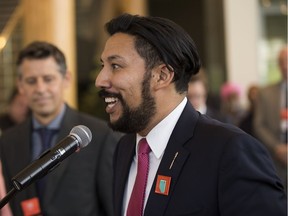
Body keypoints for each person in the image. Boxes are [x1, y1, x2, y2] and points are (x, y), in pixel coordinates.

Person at [95, 13, 287, 216]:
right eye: (103, 66)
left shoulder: (230, 150)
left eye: (115, 66)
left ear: (162, 76)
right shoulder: (124, 149)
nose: (100, 79)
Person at [0, 41, 121, 216]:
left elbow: (113, 207)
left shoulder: (100, 135)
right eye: (31, 81)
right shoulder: (8, 141)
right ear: (20, 86)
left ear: (66, 79)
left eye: (48, 79)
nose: (40, 89)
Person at [254, 45, 288, 191]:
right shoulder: (265, 93)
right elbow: (259, 125)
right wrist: (278, 147)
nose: (285, 65)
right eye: (281, 61)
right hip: (274, 160)